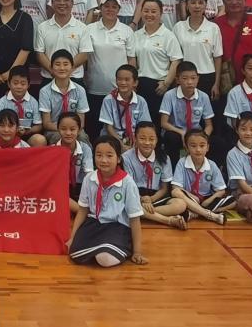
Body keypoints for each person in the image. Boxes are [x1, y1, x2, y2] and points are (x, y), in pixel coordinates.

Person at [67, 136, 147, 267]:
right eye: (99, 155)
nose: (103, 160)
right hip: (93, 224)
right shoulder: (89, 179)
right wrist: (72, 238)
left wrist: (137, 252)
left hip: (117, 226)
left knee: (105, 259)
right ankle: (106, 249)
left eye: (109, 156)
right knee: (74, 252)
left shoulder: (127, 183)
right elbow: (82, 211)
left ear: (118, 158)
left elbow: (134, 219)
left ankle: (120, 247)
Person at [79, 0, 136, 141]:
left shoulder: (126, 31)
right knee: (94, 129)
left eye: (114, 7)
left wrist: (133, 85)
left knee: (117, 130)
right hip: (94, 88)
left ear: (119, 9)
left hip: (119, 90)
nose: (110, 9)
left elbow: (131, 59)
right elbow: (84, 57)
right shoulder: (89, 29)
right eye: (106, 6)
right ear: (100, 8)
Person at [123, 122, 187, 230]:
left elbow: (164, 188)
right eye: (142, 138)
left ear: (157, 140)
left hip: (156, 196)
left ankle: (142, 214)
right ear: (135, 138)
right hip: (135, 195)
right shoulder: (126, 158)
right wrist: (142, 199)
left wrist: (151, 199)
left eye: (151, 139)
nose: (147, 143)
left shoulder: (164, 158)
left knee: (181, 204)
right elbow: (129, 187)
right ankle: (168, 220)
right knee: (127, 204)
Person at [130, 0, 183, 121]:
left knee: (157, 122)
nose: (149, 14)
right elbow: (132, 60)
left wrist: (166, 83)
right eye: (146, 11)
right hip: (140, 85)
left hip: (159, 86)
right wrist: (133, 83)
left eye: (153, 11)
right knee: (140, 121)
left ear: (161, 13)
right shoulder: (136, 35)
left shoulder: (168, 36)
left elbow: (176, 61)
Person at [173, 0, 224, 112]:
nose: (197, 6)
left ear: (206, 5)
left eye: (200, 2)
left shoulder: (213, 28)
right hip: (185, 78)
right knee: (185, 112)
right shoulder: (178, 27)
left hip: (208, 77)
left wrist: (216, 84)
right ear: (186, 5)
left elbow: (217, 57)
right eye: (193, 2)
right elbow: (175, 57)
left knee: (206, 114)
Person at [215, 0, 252, 99]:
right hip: (225, 82)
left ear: (245, 0)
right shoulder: (216, 24)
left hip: (251, 81)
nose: (234, 2)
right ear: (223, 0)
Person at [158, 61, 214, 166]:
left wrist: (202, 137)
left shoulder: (203, 96)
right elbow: (164, 123)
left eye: (193, 78)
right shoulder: (169, 95)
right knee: (171, 138)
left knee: (217, 142)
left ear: (198, 78)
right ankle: (173, 169)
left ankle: (206, 169)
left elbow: (209, 125)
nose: (189, 82)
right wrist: (181, 132)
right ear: (177, 79)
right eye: (185, 78)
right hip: (176, 132)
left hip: (196, 133)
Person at [169, 130, 230, 225]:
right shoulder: (182, 162)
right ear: (186, 148)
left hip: (206, 200)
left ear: (207, 147)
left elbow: (221, 190)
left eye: (202, 146)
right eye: (193, 146)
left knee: (233, 200)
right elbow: (176, 187)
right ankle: (208, 215)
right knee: (175, 192)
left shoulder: (212, 165)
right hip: (190, 199)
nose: (198, 149)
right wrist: (192, 196)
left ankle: (195, 213)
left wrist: (208, 201)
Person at [34, 0, 89, 88]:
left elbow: (84, 54)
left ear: (72, 3)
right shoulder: (42, 27)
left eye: (66, 0)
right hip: (49, 78)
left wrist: (66, 71)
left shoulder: (82, 28)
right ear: (52, 3)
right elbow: (40, 53)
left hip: (74, 79)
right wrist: (53, 71)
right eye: (58, 0)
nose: (62, 3)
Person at [39, 50, 89, 143]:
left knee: (82, 137)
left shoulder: (80, 90)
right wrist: (64, 130)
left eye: (66, 64)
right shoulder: (44, 91)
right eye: (57, 64)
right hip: (54, 130)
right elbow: (46, 123)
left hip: (75, 129)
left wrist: (71, 130)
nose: (62, 68)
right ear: (51, 67)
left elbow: (81, 122)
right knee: (59, 137)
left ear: (72, 67)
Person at [99, 64, 152, 149]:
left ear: (135, 83)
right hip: (112, 137)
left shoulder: (141, 101)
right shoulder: (108, 100)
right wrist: (121, 144)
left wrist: (136, 141)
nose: (123, 83)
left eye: (127, 80)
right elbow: (109, 127)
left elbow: (144, 126)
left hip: (134, 137)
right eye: (119, 79)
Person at [0, 67, 46, 146]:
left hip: (26, 135)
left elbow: (39, 126)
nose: (19, 87)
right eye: (15, 83)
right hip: (6, 134)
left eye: (23, 84)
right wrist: (9, 130)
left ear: (28, 85)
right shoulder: (2, 101)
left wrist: (28, 131)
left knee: (40, 140)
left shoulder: (33, 102)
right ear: (9, 84)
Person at [55, 111, 92, 211]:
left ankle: (79, 211)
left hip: (80, 188)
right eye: (63, 129)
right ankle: (82, 212)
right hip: (60, 187)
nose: (68, 133)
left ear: (79, 130)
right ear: (58, 129)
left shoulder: (85, 149)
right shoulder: (53, 150)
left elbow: (89, 175)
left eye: (72, 129)